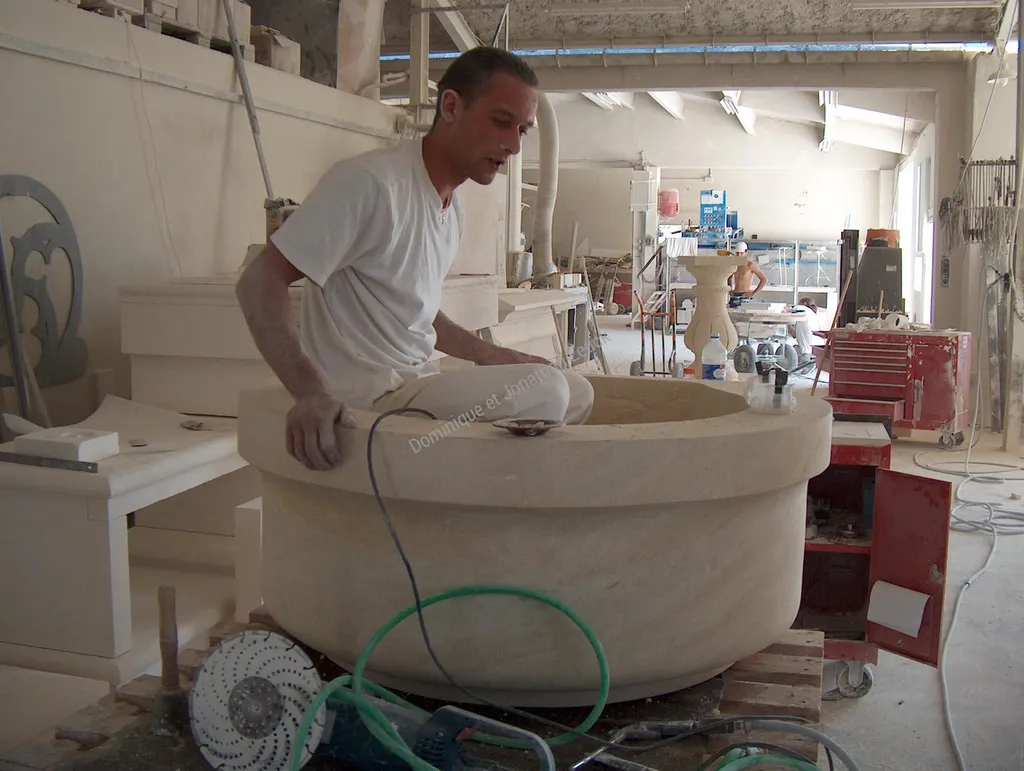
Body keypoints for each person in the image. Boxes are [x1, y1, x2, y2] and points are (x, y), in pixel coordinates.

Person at [235, 47, 594, 471]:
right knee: (548, 391)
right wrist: (311, 394)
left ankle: (483, 497)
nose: (513, 145)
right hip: (371, 400)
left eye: (523, 131)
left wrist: (489, 353)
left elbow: (417, 313)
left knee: (578, 390)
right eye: (501, 122)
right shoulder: (371, 184)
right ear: (451, 106)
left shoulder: (449, 208)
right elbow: (258, 282)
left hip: (416, 387)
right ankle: (470, 499)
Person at [727, 242, 767, 308]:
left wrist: (753, 293)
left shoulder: (750, 265)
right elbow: (729, 278)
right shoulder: (734, 265)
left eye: (741, 253)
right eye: (737, 253)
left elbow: (764, 279)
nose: (739, 255)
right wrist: (730, 290)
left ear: (746, 252)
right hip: (734, 295)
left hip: (745, 295)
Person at [787, 297, 821, 364]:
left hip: (806, 352)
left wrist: (785, 309)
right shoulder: (813, 315)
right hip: (816, 351)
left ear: (804, 303)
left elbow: (788, 311)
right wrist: (788, 325)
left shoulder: (801, 308)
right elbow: (794, 335)